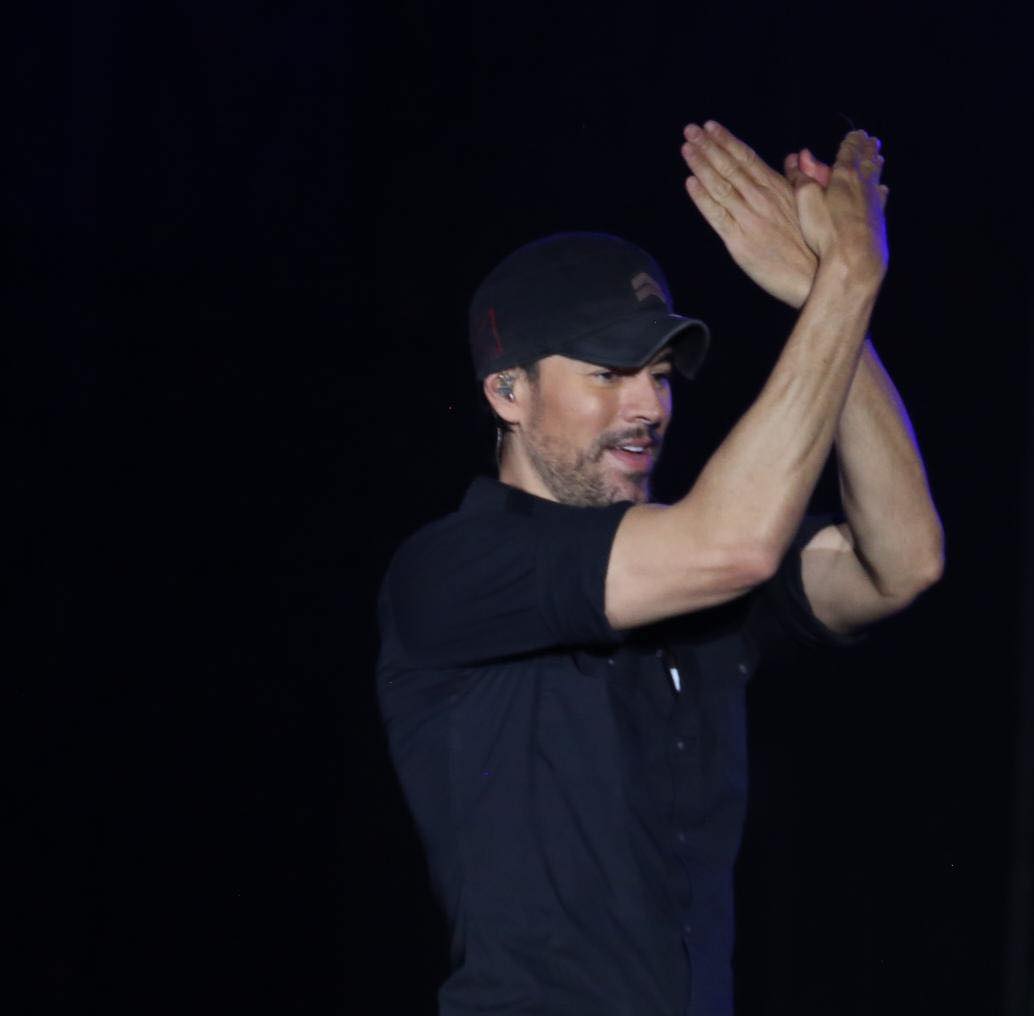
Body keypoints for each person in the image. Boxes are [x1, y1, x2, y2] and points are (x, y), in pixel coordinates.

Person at [375, 122, 943, 1015]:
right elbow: (733, 544)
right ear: (508, 391)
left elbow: (902, 562)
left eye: (662, 373)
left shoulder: (695, 571)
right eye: (609, 373)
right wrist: (846, 279)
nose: (649, 404)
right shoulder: (452, 569)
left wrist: (831, 303)